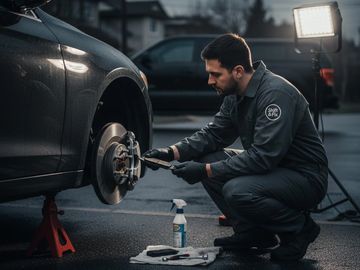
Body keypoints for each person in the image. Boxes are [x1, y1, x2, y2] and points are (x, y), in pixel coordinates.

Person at [144, 33, 328, 261]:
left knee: (237, 189)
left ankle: (299, 229)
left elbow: (262, 158)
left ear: (238, 71)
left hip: (305, 177)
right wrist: (170, 152)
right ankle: (253, 233)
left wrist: (206, 171)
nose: (210, 81)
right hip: (275, 170)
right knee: (207, 158)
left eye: (215, 74)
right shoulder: (235, 93)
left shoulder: (275, 94)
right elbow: (213, 134)